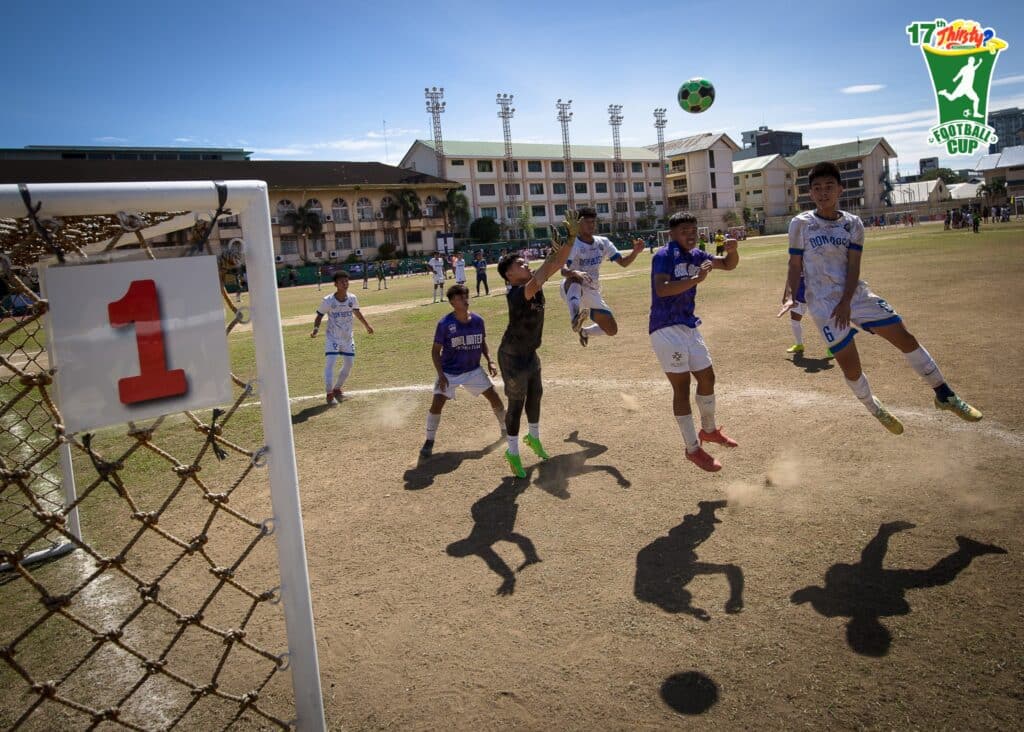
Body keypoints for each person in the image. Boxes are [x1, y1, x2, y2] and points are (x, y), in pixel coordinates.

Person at [781, 162, 982, 434]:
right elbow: (794, 265)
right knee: (851, 369)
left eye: (829, 187)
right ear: (810, 193)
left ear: (840, 189)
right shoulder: (801, 223)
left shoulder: (853, 224)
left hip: (855, 294)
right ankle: (873, 406)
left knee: (905, 337)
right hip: (824, 305)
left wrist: (846, 301)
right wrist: (790, 294)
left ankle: (944, 394)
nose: (823, 192)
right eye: (817, 188)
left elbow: (854, 266)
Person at [650, 211, 739, 472]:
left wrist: (732, 251)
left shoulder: (698, 255)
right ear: (672, 234)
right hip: (664, 328)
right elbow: (662, 289)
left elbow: (727, 264)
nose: (691, 234)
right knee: (682, 387)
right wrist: (695, 279)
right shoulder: (664, 255)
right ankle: (692, 449)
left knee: (708, 377)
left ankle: (709, 431)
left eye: (693, 230)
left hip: (688, 325)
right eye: (684, 231)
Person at [495, 213, 577, 478]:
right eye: (520, 263)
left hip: (530, 353)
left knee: (536, 395)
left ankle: (534, 438)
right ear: (509, 274)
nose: (525, 263)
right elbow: (542, 275)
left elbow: (558, 263)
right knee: (516, 404)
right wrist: (552, 255)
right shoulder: (518, 292)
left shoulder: (533, 282)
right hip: (511, 356)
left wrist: (570, 239)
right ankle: (513, 451)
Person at [420, 284, 507, 458]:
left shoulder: (478, 320)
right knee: (437, 403)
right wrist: (441, 375)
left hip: (473, 370)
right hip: (450, 372)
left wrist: (490, 360)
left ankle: (506, 430)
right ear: (452, 302)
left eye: (466, 296)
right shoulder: (445, 324)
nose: (465, 300)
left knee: (494, 397)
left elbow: (482, 342)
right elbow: (435, 351)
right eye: (460, 298)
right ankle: (429, 441)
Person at [559, 206, 644, 347]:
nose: (591, 225)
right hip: (571, 287)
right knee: (575, 279)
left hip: (592, 290)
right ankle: (574, 318)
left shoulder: (603, 242)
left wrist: (635, 252)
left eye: (593, 222)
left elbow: (623, 263)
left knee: (611, 330)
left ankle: (584, 332)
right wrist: (575, 272)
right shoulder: (573, 244)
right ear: (578, 224)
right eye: (587, 222)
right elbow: (563, 270)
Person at [310, 270, 374, 405]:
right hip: (332, 337)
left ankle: (337, 388)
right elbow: (319, 315)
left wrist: (367, 325)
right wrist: (315, 330)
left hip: (347, 337)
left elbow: (357, 313)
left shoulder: (352, 298)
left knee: (349, 364)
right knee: (330, 364)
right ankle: (329, 394)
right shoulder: (328, 300)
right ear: (335, 284)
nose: (345, 283)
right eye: (341, 282)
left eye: (346, 281)